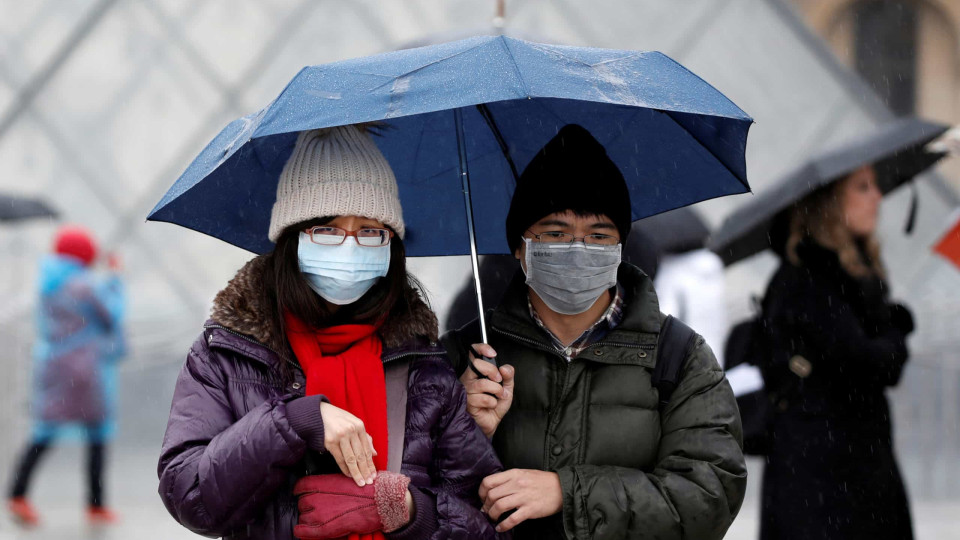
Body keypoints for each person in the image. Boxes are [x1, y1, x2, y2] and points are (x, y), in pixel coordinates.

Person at [157, 125, 504, 540]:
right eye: (327, 229)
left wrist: (406, 510)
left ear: (391, 245)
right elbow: (191, 497)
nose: (350, 247)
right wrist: (292, 421)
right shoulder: (227, 354)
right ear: (291, 240)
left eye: (370, 231)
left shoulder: (424, 368)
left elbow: (488, 523)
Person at [442, 124, 747, 538]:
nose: (577, 249)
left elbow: (709, 495)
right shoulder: (467, 356)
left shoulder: (679, 357)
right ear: (519, 247)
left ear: (621, 248)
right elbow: (415, 494)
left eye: (598, 236)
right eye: (555, 233)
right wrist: (464, 430)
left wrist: (570, 493)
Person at [758, 164, 914, 539]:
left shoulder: (856, 277)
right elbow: (872, 362)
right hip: (822, 475)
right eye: (862, 187)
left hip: (855, 465)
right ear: (829, 204)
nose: (877, 197)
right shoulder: (809, 278)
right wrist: (897, 324)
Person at [7, 226, 126, 527]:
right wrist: (114, 279)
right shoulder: (85, 285)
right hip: (85, 371)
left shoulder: (49, 282)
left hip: (53, 366)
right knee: (97, 433)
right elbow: (112, 315)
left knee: (44, 431)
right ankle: (96, 504)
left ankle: (17, 493)